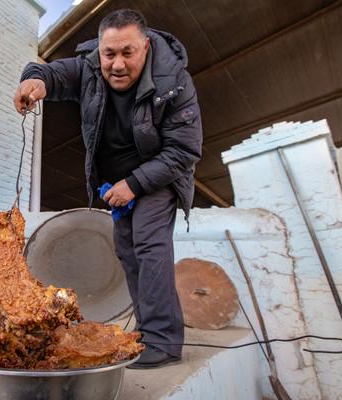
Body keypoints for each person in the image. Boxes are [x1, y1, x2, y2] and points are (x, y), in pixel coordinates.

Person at [13, 9, 202, 369]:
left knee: (149, 242)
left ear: (145, 47)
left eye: (127, 53)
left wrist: (133, 185)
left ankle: (163, 341)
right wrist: (34, 82)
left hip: (158, 174)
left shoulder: (175, 83)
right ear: (99, 50)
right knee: (127, 250)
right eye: (109, 53)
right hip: (115, 182)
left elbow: (184, 151)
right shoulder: (88, 68)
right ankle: (147, 333)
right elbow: (50, 72)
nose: (116, 64)